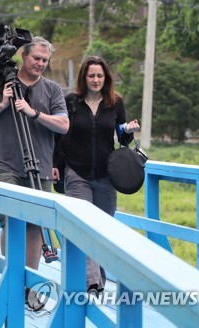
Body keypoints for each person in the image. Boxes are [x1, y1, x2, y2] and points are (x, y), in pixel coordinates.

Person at [0, 36, 69, 271]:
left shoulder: (52, 89)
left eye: (45, 60)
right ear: (23, 56)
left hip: (41, 165)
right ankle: (11, 275)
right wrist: (2, 105)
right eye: (36, 58)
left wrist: (33, 113)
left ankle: (30, 282)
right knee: (11, 221)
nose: (41, 63)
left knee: (36, 225)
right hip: (7, 164)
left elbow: (64, 125)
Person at [53, 56, 140, 295]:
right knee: (85, 227)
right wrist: (56, 165)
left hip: (106, 175)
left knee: (101, 231)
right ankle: (94, 284)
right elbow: (60, 136)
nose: (95, 80)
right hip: (76, 172)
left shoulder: (115, 102)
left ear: (106, 78)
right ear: (84, 77)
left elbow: (121, 137)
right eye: (91, 75)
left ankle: (94, 282)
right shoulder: (71, 101)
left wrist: (129, 131)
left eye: (99, 76)